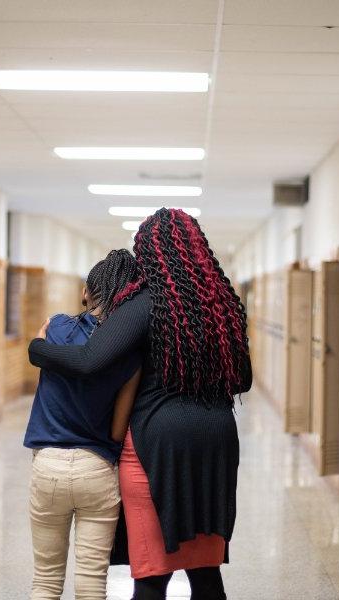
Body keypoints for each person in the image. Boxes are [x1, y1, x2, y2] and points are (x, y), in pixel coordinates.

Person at [30, 208, 252, 600]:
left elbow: (89, 361)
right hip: (217, 442)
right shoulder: (222, 304)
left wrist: (39, 349)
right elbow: (244, 380)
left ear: (148, 255)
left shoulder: (145, 304)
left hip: (157, 442)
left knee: (152, 573)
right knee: (205, 572)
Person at [24, 249, 142, 600]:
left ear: (87, 293)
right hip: (97, 469)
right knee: (91, 581)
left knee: (45, 580)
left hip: (48, 466)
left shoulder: (58, 326)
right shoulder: (130, 353)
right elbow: (118, 431)